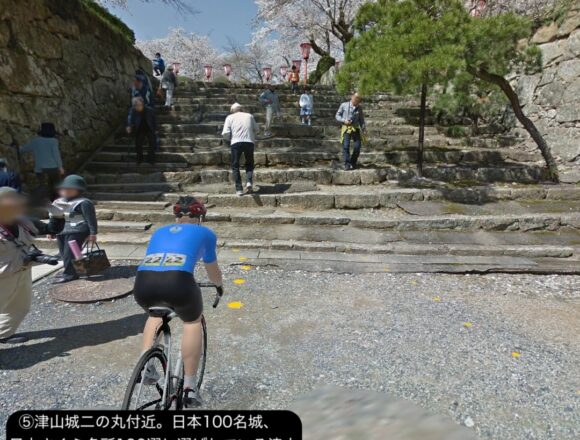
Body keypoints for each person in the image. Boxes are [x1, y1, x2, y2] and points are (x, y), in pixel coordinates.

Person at [133, 197, 224, 408]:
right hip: (178, 282)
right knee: (192, 322)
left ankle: (146, 366)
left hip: (143, 283)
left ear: (176, 217)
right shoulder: (206, 233)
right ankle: (190, 387)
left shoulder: (159, 232)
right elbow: (212, 271)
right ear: (200, 217)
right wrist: (219, 286)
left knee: (155, 314)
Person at [0, 187, 64, 344]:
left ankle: (3, 333)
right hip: (3, 276)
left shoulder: (23, 221)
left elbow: (52, 228)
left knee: (20, 306)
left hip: (23, 270)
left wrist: (53, 210)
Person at [51, 175, 98, 284]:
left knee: (70, 253)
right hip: (61, 230)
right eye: (64, 188)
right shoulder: (58, 201)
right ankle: (71, 270)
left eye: (70, 188)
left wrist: (93, 233)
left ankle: (70, 274)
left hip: (77, 230)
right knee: (63, 253)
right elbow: (54, 216)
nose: (65, 190)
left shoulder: (83, 202)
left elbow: (91, 219)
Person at [18, 122, 64, 201]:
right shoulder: (53, 141)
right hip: (52, 168)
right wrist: (60, 167)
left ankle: (43, 201)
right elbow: (56, 155)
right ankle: (55, 201)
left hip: (39, 169)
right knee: (56, 186)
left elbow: (23, 149)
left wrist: (16, 146)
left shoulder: (36, 141)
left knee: (42, 185)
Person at [222, 103, 259, 196]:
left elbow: (225, 133)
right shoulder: (249, 116)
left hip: (236, 142)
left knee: (235, 165)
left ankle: (239, 189)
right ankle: (249, 182)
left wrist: (229, 139)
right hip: (249, 142)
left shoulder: (229, 117)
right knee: (249, 163)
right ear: (241, 109)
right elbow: (256, 129)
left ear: (232, 110)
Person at [336, 93, 366, 171]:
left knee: (357, 147)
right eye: (356, 98)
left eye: (358, 99)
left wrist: (363, 129)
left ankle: (353, 162)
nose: (357, 100)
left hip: (355, 128)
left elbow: (361, 119)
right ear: (352, 97)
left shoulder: (359, 108)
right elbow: (337, 116)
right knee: (346, 146)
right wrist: (344, 120)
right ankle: (347, 164)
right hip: (346, 128)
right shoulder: (344, 105)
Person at [127, 97, 157, 165]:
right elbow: (129, 118)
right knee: (138, 143)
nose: (138, 107)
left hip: (149, 128)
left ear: (143, 104)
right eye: (136, 105)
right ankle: (139, 158)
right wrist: (129, 126)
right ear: (134, 106)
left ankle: (150, 158)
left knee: (152, 142)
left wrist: (155, 129)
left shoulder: (150, 110)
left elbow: (154, 120)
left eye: (140, 105)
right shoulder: (133, 110)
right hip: (139, 128)